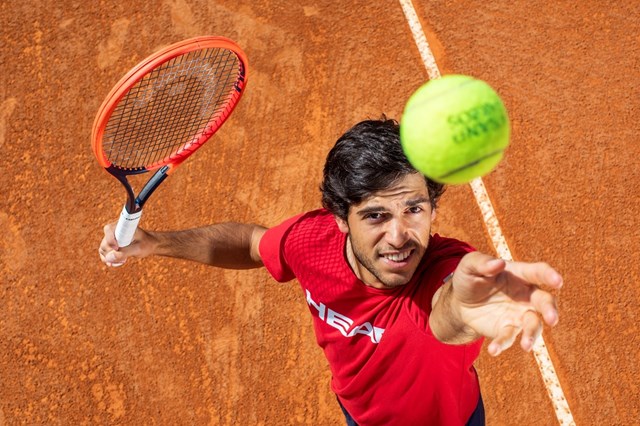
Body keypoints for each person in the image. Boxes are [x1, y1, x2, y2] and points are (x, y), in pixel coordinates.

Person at [99, 118, 563, 425]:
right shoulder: (310, 241)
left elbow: (447, 312)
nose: (401, 235)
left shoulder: (446, 269)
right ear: (340, 218)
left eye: (414, 209)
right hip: (357, 413)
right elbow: (249, 243)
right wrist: (154, 243)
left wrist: (466, 302)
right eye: (376, 216)